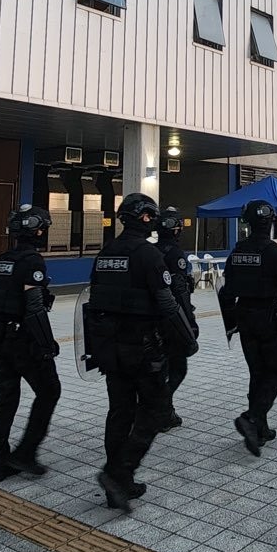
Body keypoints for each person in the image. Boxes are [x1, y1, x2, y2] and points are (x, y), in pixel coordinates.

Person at [86, 194, 199, 512]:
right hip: (142, 349)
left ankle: (118, 486)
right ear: (147, 219)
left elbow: (92, 304)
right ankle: (118, 473)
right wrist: (187, 339)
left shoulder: (105, 253)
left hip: (110, 349)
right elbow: (167, 304)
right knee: (154, 411)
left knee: (119, 413)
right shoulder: (147, 255)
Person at [0, 205, 61, 483]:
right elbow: (33, 307)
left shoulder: (1, 259)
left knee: (5, 397)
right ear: (38, 231)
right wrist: (48, 343)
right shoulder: (32, 261)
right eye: (43, 227)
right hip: (23, 341)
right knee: (49, 391)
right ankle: (25, 453)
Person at [219, 200, 277, 457]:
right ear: (271, 222)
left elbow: (226, 293)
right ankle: (252, 417)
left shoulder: (237, 252)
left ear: (246, 223)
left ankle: (260, 429)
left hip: (245, 319)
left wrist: (230, 325)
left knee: (257, 373)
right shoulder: (274, 252)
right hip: (270, 320)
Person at [154, 207, 199, 429]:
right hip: (172, 319)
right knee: (178, 368)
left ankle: (165, 412)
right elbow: (181, 292)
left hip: (152, 320)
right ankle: (160, 408)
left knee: (162, 368)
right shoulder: (175, 254)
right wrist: (189, 323)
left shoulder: (150, 251)